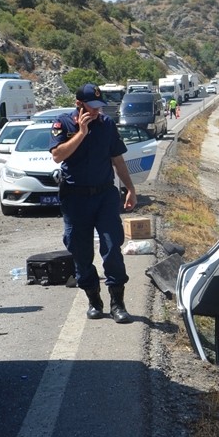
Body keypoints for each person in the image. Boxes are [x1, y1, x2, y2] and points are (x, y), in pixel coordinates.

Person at [49, 83, 138, 323]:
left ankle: (118, 303)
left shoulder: (107, 124)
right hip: (75, 198)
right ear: (79, 104)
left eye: (100, 106)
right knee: (80, 251)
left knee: (112, 249)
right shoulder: (63, 123)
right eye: (92, 106)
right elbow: (57, 155)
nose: (97, 111)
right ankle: (93, 300)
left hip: (104, 196)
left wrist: (130, 188)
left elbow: (117, 159)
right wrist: (81, 132)